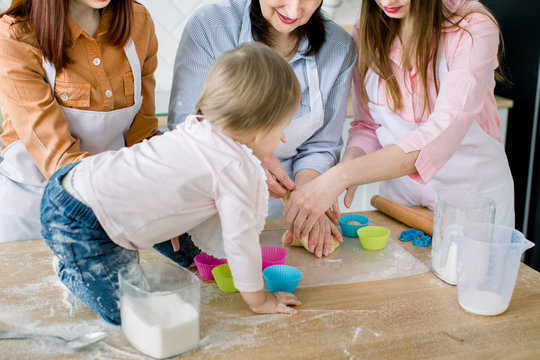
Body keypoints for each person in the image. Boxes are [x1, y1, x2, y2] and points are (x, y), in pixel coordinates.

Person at [40, 43, 303, 325]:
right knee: (133, 315)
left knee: (187, 235)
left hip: (78, 181)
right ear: (260, 131)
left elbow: (166, 189)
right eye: (283, 126)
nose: (283, 135)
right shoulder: (235, 169)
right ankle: (73, 269)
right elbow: (241, 240)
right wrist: (259, 300)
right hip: (84, 222)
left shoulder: (198, 127)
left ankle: (170, 255)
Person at [282, 0, 515, 240]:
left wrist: (343, 175)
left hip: (471, 203)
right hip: (399, 203)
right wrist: (346, 167)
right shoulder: (366, 31)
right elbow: (367, 126)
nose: (387, 2)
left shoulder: (473, 27)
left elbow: (442, 132)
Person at [168, 0, 357, 258]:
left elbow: (321, 146)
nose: (293, 11)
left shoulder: (339, 47)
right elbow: (187, 127)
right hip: (213, 209)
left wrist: (307, 200)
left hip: (282, 220)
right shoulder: (211, 26)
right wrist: (251, 153)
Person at [0, 0, 160, 242]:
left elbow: (143, 138)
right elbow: (60, 159)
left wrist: (167, 198)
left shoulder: (138, 21)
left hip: (114, 208)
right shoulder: (16, 36)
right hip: (32, 215)